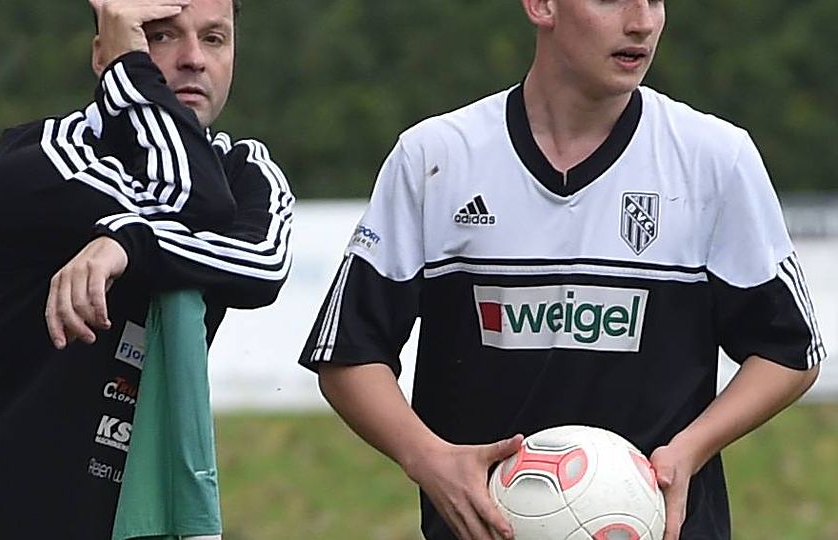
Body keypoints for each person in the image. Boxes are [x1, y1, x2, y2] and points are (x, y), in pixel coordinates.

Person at [298, 1, 824, 539]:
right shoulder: (436, 157)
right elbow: (348, 352)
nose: (642, 22)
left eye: (655, 0)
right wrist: (428, 458)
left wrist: (689, 449)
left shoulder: (715, 159)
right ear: (542, 6)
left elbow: (789, 350)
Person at [0, 0, 293, 538]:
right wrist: (130, 70)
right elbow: (189, 197)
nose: (193, 59)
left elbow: (263, 263)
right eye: (159, 37)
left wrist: (128, 244)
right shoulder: (42, 161)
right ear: (105, 55)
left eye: (215, 38)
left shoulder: (245, 170)